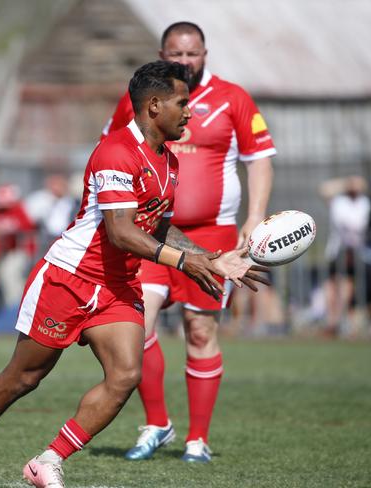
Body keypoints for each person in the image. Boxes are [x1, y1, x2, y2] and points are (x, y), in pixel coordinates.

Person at [0, 61, 268, 488]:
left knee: (126, 375)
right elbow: (122, 232)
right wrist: (188, 262)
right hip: (69, 278)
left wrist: (213, 258)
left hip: (117, 286)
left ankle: (48, 460)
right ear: (153, 106)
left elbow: (159, 226)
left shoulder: (169, 162)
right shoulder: (115, 151)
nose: (190, 112)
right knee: (24, 377)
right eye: (182, 103)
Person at [101, 22, 276, 462]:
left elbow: (259, 161)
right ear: (162, 53)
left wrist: (254, 218)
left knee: (200, 330)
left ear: (205, 53)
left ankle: (197, 439)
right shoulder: (141, 99)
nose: (184, 62)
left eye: (192, 54)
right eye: (175, 54)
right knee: (137, 325)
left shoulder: (233, 98)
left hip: (214, 232)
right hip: (151, 231)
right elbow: (113, 147)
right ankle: (156, 424)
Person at [320, 175, 371, 337]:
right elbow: (324, 189)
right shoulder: (340, 201)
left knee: (348, 286)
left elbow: (357, 225)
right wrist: (347, 183)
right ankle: (331, 320)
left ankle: (342, 322)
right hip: (336, 250)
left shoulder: (364, 203)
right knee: (331, 285)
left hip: (355, 251)